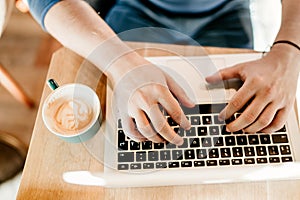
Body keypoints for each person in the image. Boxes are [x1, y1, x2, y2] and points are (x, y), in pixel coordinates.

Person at [27, 0, 300, 145]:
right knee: (123, 129)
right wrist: (120, 63)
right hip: (136, 7)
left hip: (226, 12)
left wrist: (289, 50)